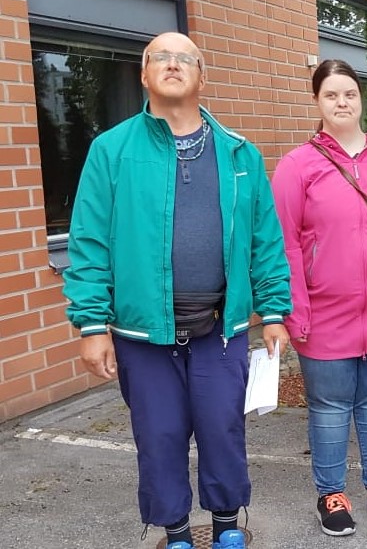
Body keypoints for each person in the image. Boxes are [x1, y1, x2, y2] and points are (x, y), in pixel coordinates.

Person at [63, 32, 292, 549]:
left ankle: (227, 527)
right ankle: (178, 534)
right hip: (142, 335)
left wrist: (274, 310)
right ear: (143, 74)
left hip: (220, 330)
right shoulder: (111, 150)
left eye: (185, 57)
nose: (172, 64)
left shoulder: (239, 153)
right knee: (159, 436)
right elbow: (89, 241)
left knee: (222, 431)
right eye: (160, 57)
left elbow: (265, 241)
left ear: (201, 77)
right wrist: (91, 324)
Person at [271, 59, 367, 537]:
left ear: (361, 97)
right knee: (330, 410)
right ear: (317, 101)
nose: (342, 102)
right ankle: (330, 493)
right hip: (324, 317)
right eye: (331, 95)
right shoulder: (297, 166)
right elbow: (285, 244)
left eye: (349, 93)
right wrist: (294, 312)